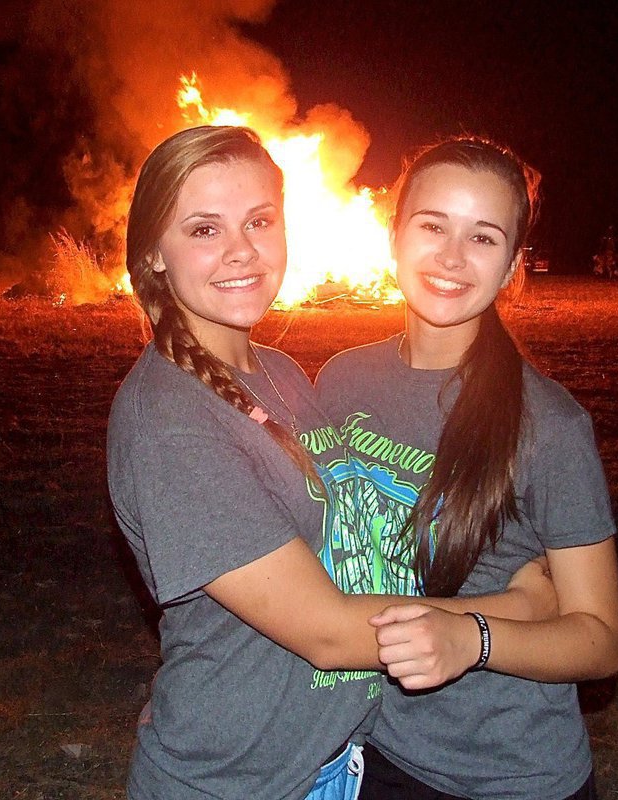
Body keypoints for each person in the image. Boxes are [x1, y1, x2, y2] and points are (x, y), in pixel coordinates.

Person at [107, 126, 556, 800]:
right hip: (235, 780)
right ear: (154, 256)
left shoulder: (281, 374)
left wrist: (492, 546)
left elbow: (354, 539)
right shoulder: (169, 423)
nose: (241, 251)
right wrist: (508, 612)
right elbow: (325, 633)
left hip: (331, 766)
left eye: (259, 221)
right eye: (204, 229)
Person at [316, 136, 618, 800]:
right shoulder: (341, 380)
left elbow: (601, 640)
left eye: (483, 238)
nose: (452, 257)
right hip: (369, 754)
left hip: (504, 775)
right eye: (433, 226)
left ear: (513, 262)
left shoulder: (549, 425)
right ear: (392, 233)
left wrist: (474, 639)